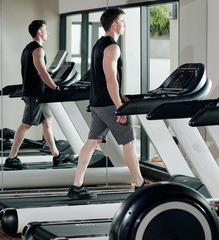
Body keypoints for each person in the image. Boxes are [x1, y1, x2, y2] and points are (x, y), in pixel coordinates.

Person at [67, 8, 146, 200]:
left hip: (97, 103)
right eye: (123, 21)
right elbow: (111, 79)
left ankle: (76, 185)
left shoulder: (98, 44)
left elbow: (103, 78)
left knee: (92, 142)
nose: (125, 25)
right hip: (109, 105)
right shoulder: (113, 47)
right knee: (129, 141)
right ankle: (140, 184)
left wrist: (119, 95)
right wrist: (119, 106)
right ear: (114, 25)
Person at [4, 20, 70, 169]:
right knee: (26, 124)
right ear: (39, 32)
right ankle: (11, 158)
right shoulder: (38, 50)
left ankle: (56, 156)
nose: (47, 32)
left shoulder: (28, 48)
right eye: (45, 29)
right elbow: (42, 72)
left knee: (47, 122)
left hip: (39, 94)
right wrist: (55, 87)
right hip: (35, 95)